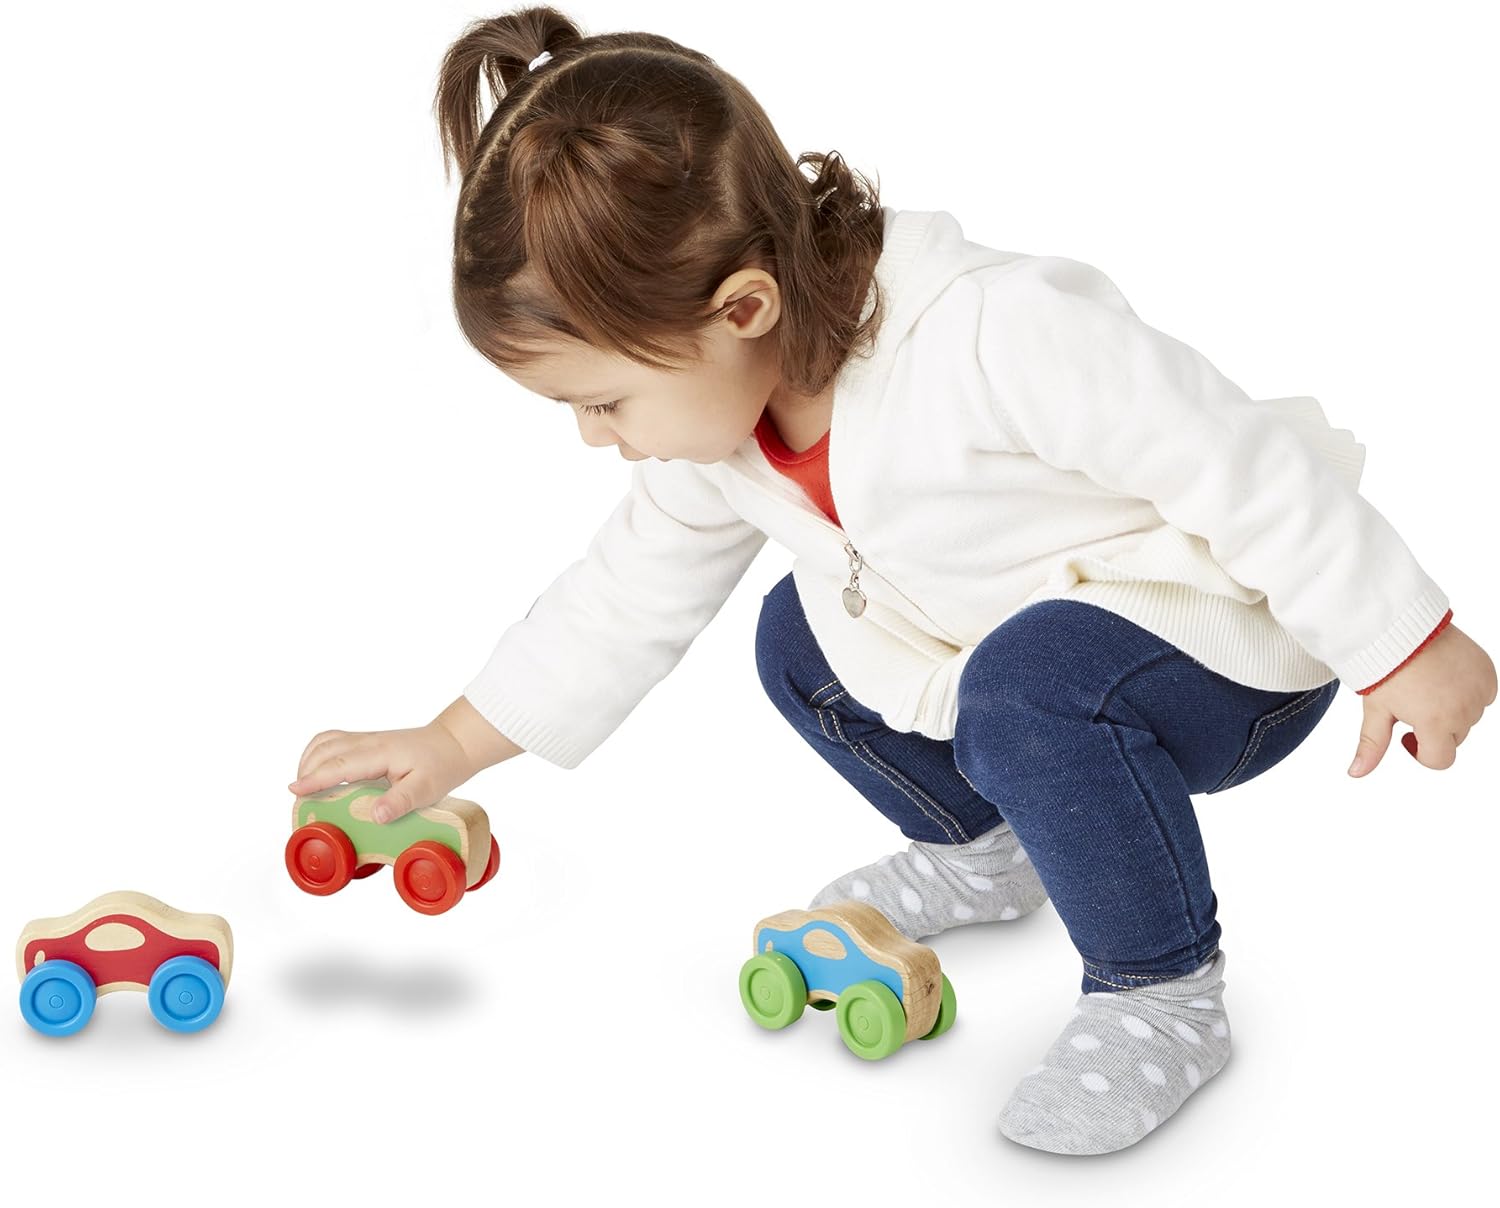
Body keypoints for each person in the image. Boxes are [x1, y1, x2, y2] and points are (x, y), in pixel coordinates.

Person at [287, 4, 1497, 1155]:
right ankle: (990, 843)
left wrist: (1400, 633)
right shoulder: (724, 432)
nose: (599, 436)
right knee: (796, 641)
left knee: (1028, 685)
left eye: (606, 400)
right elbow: (623, 596)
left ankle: (1162, 992)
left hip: (1223, 642)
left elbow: (1236, 462)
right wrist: (452, 742)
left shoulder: (990, 332)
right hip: (1018, 660)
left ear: (740, 307)